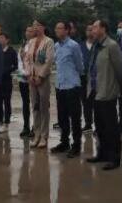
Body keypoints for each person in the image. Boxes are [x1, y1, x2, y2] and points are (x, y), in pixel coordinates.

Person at [86, 20, 122, 171]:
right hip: (95, 91)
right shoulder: (96, 46)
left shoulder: (112, 46)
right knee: (100, 126)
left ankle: (114, 158)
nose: (92, 30)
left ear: (103, 29)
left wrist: (119, 88)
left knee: (111, 127)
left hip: (107, 91)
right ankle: (102, 153)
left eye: (95, 27)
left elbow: (119, 69)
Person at [50, 21, 84, 158]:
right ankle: (64, 142)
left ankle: (76, 145)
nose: (56, 30)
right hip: (60, 86)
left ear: (67, 30)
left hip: (72, 86)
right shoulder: (56, 46)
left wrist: (73, 76)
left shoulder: (73, 45)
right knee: (62, 117)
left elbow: (80, 66)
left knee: (75, 117)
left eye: (59, 28)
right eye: (56, 28)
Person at [27, 19, 56, 149]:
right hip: (32, 78)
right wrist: (29, 74)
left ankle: (44, 136)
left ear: (43, 27)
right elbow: (27, 60)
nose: (35, 27)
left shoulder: (49, 41)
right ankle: (36, 134)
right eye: (34, 25)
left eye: (38, 25)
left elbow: (49, 60)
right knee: (35, 107)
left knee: (44, 107)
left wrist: (41, 76)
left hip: (42, 78)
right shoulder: (31, 41)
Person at [0, 33, 18, 134]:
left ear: (7, 40)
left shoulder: (11, 51)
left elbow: (15, 65)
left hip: (7, 80)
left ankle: (6, 123)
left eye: (2, 38)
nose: (0, 40)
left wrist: (7, 70)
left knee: (6, 102)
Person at [18, 26, 35, 138]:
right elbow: (19, 62)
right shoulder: (22, 46)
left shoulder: (37, 45)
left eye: (30, 31)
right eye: (26, 30)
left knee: (35, 103)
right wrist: (23, 73)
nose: (28, 33)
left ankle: (35, 126)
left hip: (33, 78)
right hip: (23, 78)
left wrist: (30, 74)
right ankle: (26, 126)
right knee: (25, 103)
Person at [79, 24, 95, 132]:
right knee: (85, 101)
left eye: (92, 30)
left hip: (95, 77)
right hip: (83, 77)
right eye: (88, 30)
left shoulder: (98, 45)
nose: (90, 32)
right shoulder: (80, 45)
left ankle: (99, 125)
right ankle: (88, 123)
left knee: (96, 101)